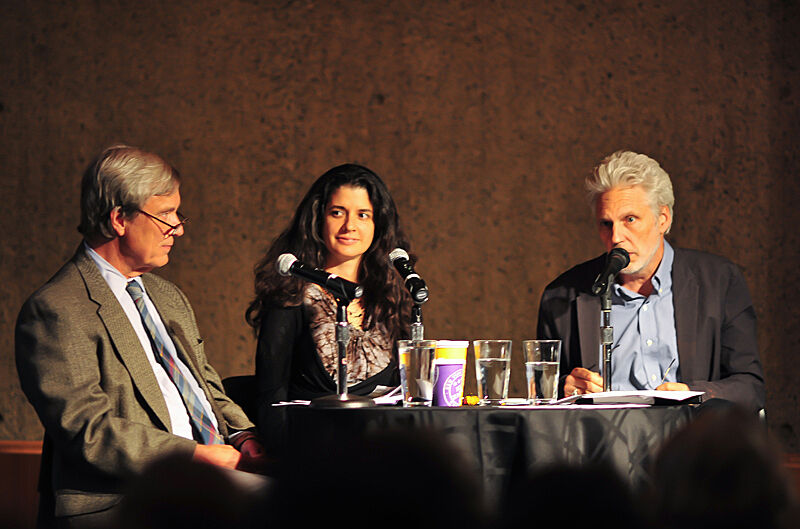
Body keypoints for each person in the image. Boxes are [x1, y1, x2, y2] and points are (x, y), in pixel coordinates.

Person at [15, 145, 267, 529]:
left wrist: (243, 435)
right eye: (166, 214)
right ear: (119, 218)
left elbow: (207, 387)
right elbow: (89, 431)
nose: (178, 228)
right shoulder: (57, 308)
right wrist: (199, 457)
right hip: (131, 498)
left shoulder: (167, 296)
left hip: (213, 479)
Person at [536, 150, 765, 412]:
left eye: (629, 219)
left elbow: (750, 388)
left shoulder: (720, 281)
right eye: (606, 223)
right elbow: (543, 391)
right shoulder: (562, 296)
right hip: (601, 447)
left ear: (662, 219)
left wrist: (694, 393)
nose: (617, 237)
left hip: (689, 442)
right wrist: (565, 387)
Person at [246, 164, 415, 451]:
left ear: (378, 225)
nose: (350, 225)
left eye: (363, 215)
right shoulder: (291, 294)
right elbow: (271, 397)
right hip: (313, 453)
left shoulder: (392, 298)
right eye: (337, 212)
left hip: (384, 453)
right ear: (318, 220)